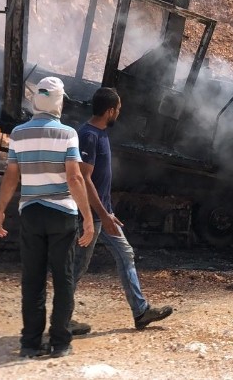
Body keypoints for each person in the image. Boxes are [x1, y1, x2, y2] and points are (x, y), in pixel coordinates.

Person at [0, 76, 95, 359]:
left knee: (33, 280)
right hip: (62, 214)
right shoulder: (67, 134)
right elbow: (74, 177)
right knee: (63, 279)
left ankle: (29, 343)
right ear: (59, 102)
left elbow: (12, 176)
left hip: (32, 214)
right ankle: (60, 342)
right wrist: (87, 216)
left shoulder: (19, 134)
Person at [70, 87, 173, 333]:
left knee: (125, 254)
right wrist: (102, 216)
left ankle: (141, 311)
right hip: (91, 217)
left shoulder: (100, 133)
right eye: (117, 109)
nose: (119, 113)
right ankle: (61, 318)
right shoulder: (88, 136)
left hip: (103, 215)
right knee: (77, 266)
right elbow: (84, 179)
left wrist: (108, 212)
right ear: (109, 111)